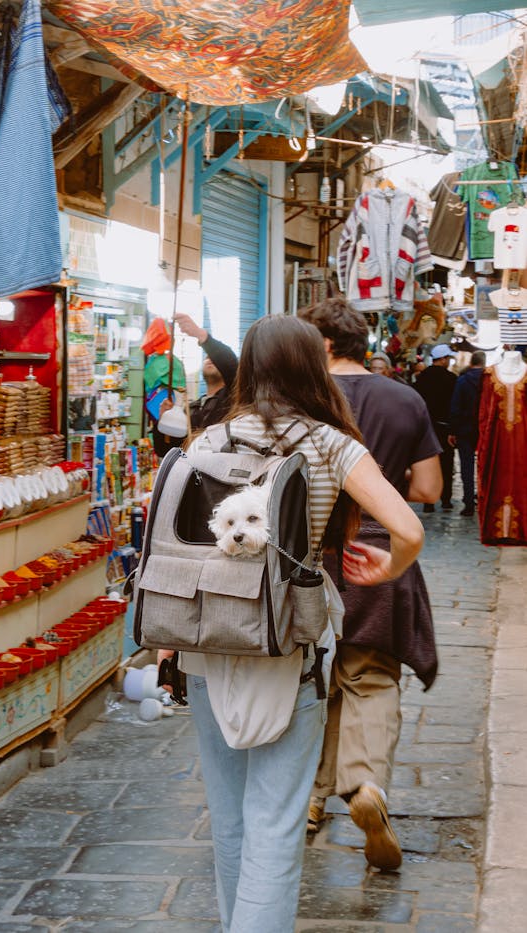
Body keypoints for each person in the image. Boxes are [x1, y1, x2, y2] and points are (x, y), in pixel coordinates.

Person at [158, 315, 425, 930]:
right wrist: (386, 568)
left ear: (249, 366)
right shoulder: (333, 442)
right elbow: (408, 529)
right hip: (290, 643)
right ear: (314, 365)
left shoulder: (210, 440)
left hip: (207, 641)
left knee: (227, 814)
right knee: (276, 816)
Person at [299, 297, 442, 872]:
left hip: (307, 558)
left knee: (310, 680)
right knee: (369, 677)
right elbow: (429, 489)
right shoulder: (405, 398)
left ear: (325, 346)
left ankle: (308, 799)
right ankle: (364, 786)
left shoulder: (303, 402)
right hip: (378, 555)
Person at [152, 312, 238, 456]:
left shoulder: (233, 399)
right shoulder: (190, 410)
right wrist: (163, 421)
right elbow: (164, 450)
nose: (209, 359)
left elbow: (231, 364)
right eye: (207, 358)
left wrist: (201, 336)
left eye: (214, 357)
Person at [414, 343, 458, 511]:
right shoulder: (452, 379)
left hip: (426, 428)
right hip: (444, 428)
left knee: (428, 464)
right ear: (444, 359)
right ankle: (446, 499)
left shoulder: (422, 377)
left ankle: (429, 502)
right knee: (446, 465)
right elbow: (454, 406)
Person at [448, 350, 486, 517]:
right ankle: (484, 500)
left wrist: (453, 430)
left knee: (466, 466)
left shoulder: (463, 381)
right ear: (483, 363)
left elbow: (455, 407)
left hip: (464, 429)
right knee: (485, 466)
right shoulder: (489, 381)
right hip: (484, 429)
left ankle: (469, 502)